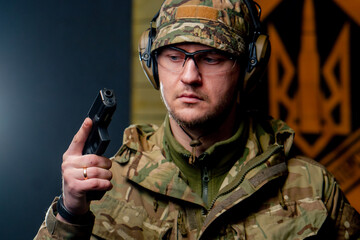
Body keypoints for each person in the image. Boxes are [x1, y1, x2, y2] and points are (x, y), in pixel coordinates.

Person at [35, 0, 360, 239]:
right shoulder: (104, 187)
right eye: (174, 56)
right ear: (152, 63)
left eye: (212, 57)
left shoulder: (313, 189)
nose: (189, 76)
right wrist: (70, 214)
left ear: (250, 69)